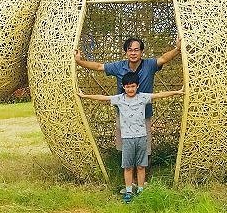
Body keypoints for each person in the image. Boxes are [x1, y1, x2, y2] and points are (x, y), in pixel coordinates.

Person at [74, 36, 182, 184]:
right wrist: (80, 62)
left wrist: (177, 49)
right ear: (125, 52)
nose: (133, 53)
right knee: (125, 146)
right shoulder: (119, 66)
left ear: (142, 51)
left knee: (145, 147)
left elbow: (163, 59)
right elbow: (99, 67)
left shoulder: (149, 64)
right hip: (123, 116)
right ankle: (128, 179)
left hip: (144, 115)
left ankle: (142, 180)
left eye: (136, 50)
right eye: (130, 50)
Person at [79, 73, 182, 202]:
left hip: (141, 137)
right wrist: (85, 96)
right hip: (127, 138)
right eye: (127, 87)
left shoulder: (143, 98)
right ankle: (128, 191)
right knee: (128, 167)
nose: (130, 89)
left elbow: (159, 95)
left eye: (133, 86)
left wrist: (177, 92)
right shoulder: (120, 99)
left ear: (137, 86)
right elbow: (103, 98)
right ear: (123, 87)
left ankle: (140, 190)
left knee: (141, 166)